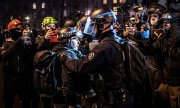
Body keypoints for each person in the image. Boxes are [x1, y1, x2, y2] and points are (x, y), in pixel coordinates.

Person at [59, 7, 152, 108]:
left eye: (93, 24)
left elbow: (81, 67)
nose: (91, 28)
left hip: (114, 101)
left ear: (102, 24)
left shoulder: (105, 46)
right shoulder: (116, 40)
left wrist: (65, 57)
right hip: (125, 96)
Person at [0, 19, 33, 108]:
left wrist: (30, 47)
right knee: (8, 102)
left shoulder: (25, 42)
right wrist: (16, 44)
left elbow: (30, 59)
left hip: (24, 79)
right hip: (10, 79)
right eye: (17, 29)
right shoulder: (6, 43)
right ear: (11, 31)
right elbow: (3, 56)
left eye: (21, 29)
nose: (20, 31)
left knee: (26, 102)